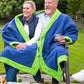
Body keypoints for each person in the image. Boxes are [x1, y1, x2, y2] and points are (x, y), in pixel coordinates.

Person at [0, 0, 78, 84]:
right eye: (45, 3)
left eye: (50, 3)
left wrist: (66, 38)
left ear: (56, 4)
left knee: (59, 51)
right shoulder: (37, 16)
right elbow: (17, 23)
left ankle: (55, 81)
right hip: (34, 44)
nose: (46, 5)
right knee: (11, 51)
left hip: (52, 44)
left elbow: (72, 31)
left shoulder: (64, 18)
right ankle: (12, 81)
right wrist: (16, 43)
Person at [0, 1, 43, 83]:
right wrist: (16, 44)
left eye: (27, 8)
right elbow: (7, 31)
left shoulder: (38, 21)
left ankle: (8, 80)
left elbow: (36, 37)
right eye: (24, 8)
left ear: (33, 10)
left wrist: (25, 44)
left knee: (19, 55)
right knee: (7, 51)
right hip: (18, 44)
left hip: (31, 45)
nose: (25, 10)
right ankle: (12, 81)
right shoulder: (17, 20)